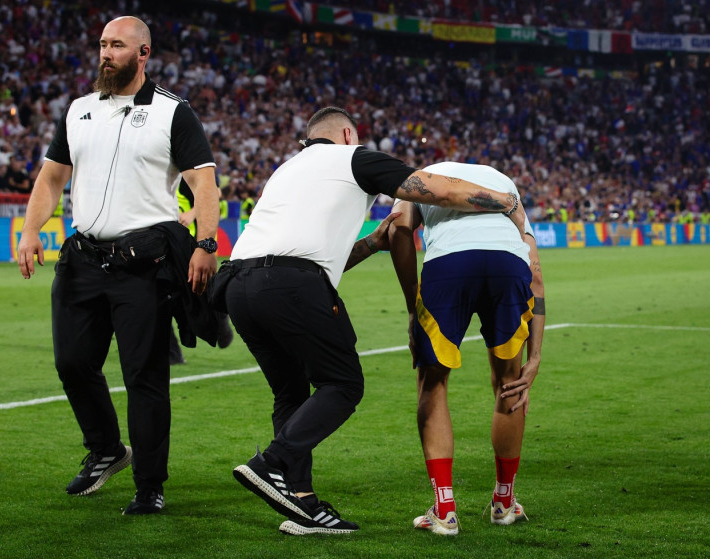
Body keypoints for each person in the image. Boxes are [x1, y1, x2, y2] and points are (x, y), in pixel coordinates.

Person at [225, 107, 525, 536]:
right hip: (289, 284)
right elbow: (436, 191)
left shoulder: (285, 171)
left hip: (240, 284)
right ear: (348, 134)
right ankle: (272, 462)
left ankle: (303, 503)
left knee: (291, 390)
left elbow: (310, 258)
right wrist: (507, 201)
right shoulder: (354, 158)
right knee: (344, 384)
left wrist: (372, 242)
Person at [16, 15, 220, 516]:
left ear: (143, 53)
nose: (106, 53)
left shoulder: (174, 113)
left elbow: (205, 183)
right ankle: (107, 449)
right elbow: (50, 180)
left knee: (144, 377)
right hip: (82, 259)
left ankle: (150, 484)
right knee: (71, 363)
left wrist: (206, 243)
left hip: (144, 266)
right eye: (102, 44)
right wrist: (30, 229)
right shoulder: (79, 110)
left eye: (117, 45)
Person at [388, 161, 545, 536]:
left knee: (433, 382)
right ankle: (504, 504)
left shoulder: (420, 176)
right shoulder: (505, 184)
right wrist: (536, 356)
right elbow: (535, 271)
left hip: (449, 265)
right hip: (508, 265)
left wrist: (413, 304)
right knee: (511, 381)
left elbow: (398, 229)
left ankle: (444, 511)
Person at [169, 177, 234, 365]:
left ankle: (220, 319)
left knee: (203, 293)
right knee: (159, 297)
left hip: (195, 245)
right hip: (167, 243)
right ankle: (172, 354)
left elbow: (215, 192)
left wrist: (192, 212)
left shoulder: (189, 166)